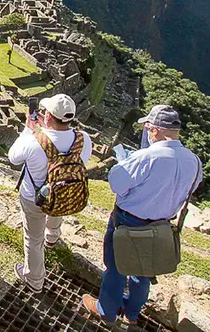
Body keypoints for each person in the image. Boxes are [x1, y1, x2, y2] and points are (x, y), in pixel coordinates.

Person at [81, 106, 202, 325]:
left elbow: (116, 184)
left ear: (154, 130)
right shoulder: (194, 161)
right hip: (161, 225)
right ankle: (132, 314)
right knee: (144, 270)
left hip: (129, 220)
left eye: (147, 127)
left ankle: (107, 312)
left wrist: (128, 163)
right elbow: (190, 189)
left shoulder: (146, 157)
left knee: (116, 266)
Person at [8, 94, 92, 292]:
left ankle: (34, 279)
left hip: (34, 198)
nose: (43, 114)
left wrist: (28, 130)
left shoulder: (34, 141)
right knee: (59, 197)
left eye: (45, 112)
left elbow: (13, 158)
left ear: (49, 118)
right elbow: (79, 164)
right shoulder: (83, 139)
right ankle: (52, 237)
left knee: (32, 238)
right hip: (65, 192)